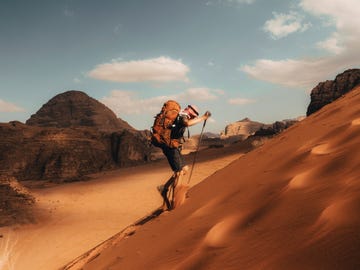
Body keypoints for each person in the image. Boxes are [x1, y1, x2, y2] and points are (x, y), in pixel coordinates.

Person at [158, 104, 211, 210]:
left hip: (174, 146)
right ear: (191, 112)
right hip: (171, 147)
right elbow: (186, 123)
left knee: (184, 169)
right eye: (195, 115)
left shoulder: (181, 114)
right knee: (179, 172)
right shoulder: (183, 115)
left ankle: (165, 187)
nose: (194, 117)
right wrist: (203, 118)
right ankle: (175, 201)